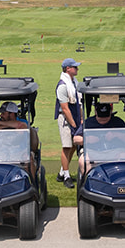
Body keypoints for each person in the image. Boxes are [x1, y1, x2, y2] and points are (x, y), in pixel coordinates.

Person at [55, 57, 83, 186]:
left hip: (75, 116)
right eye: (75, 67)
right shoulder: (62, 86)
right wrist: (73, 124)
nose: (77, 69)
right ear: (68, 69)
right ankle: (66, 176)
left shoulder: (74, 83)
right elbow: (65, 108)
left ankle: (62, 172)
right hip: (66, 119)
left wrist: (81, 119)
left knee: (73, 145)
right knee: (67, 146)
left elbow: (79, 103)